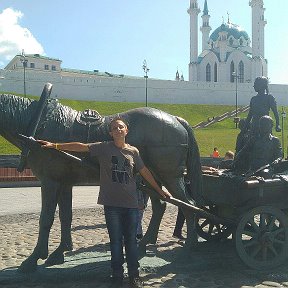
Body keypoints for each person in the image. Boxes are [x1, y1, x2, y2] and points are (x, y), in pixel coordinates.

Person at [38, 117, 171, 288]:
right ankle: (116, 274)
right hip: (112, 205)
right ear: (110, 132)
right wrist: (56, 145)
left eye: (120, 127)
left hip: (131, 205)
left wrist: (160, 191)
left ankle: (134, 276)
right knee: (115, 242)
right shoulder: (104, 147)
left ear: (126, 131)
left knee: (131, 242)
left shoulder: (133, 152)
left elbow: (144, 171)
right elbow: (81, 147)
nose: (117, 130)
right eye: (114, 127)